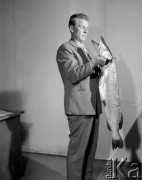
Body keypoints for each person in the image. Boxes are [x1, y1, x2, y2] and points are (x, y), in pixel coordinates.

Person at [56, 13, 106, 180]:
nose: (85, 31)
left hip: (93, 106)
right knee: (78, 155)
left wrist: (103, 68)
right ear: (71, 28)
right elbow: (72, 74)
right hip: (79, 108)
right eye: (81, 27)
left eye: (87, 28)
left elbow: (89, 75)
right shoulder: (65, 49)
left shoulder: (85, 50)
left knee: (90, 152)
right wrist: (93, 63)